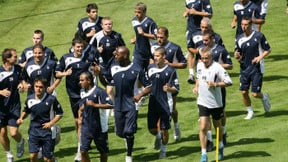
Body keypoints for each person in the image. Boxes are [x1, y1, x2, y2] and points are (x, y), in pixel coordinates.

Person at [110, 46, 151, 162]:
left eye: (118, 54)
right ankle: (128, 135)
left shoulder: (137, 69)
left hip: (131, 104)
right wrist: (99, 75)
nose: (115, 56)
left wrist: (139, 95)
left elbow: (149, 86)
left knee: (128, 132)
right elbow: (108, 82)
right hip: (118, 105)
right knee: (120, 133)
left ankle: (129, 155)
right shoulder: (114, 68)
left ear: (125, 56)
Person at [192, 46, 232, 162]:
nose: (204, 60)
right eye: (202, 58)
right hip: (202, 101)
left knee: (217, 126)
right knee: (203, 126)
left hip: (215, 103)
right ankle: (204, 154)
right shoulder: (199, 65)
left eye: (206, 58)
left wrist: (215, 84)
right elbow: (198, 78)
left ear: (211, 57)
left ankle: (220, 146)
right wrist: (196, 87)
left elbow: (229, 81)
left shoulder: (217, 68)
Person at [55, 39, 93, 161]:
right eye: (77, 47)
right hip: (73, 94)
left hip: (86, 93)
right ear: (73, 47)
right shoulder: (66, 58)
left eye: (81, 47)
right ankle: (81, 147)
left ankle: (81, 148)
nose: (79, 49)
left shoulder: (88, 58)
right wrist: (66, 73)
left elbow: (95, 71)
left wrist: (97, 71)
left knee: (84, 120)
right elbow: (57, 73)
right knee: (78, 121)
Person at [151, 27, 187, 141]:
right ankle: (161, 137)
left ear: (167, 36)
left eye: (162, 37)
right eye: (158, 37)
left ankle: (176, 126)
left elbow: (184, 64)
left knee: (172, 109)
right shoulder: (153, 47)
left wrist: (171, 64)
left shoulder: (175, 48)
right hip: (157, 81)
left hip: (170, 81)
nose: (159, 39)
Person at [200, 29, 233, 150]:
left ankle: (223, 133)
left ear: (212, 39)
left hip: (218, 86)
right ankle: (209, 140)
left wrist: (216, 67)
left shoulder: (221, 50)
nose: (204, 42)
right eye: (203, 40)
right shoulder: (202, 50)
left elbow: (230, 65)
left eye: (206, 40)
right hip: (205, 89)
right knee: (205, 117)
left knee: (220, 113)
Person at [17, 77, 63, 162]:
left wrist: (50, 123)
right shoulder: (29, 99)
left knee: (47, 159)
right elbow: (26, 110)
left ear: (45, 88)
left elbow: (60, 113)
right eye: (36, 86)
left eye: (41, 87)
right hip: (34, 131)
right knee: (33, 156)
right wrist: (21, 118)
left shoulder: (51, 99)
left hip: (47, 132)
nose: (38, 89)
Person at [234, 17, 271, 120]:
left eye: (246, 25)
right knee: (244, 92)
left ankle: (264, 97)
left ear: (250, 25)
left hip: (256, 68)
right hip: (244, 68)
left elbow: (268, 49)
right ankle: (250, 112)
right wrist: (237, 56)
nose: (243, 27)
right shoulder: (239, 38)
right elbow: (238, 53)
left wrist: (260, 57)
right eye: (242, 24)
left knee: (255, 94)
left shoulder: (259, 36)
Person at [89, 16, 126, 117]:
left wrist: (118, 52)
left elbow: (124, 48)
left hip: (115, 65)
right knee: (108, 87)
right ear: (102, 26)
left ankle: (115, 108)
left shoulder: (117, 36)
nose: (108, 26)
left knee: (111, 89)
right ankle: (113, 105)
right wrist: (97, 51)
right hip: (103, 66)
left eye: (110, 24)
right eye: (106, 24)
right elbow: (90, 51)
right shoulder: (97, 37)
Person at [147, 47, 179, 159]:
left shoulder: (171, 71)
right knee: (152, 129)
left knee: (165, 128)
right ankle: (158, 136)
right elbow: (147, 84)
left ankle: (163, 151)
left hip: (166, 103)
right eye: (154, 56)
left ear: (163, 56)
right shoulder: (150, 68)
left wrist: (169, 89)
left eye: (157, 56)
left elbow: (177, 88)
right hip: (153, 102)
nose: (155, 58)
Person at [78, 71, 113, 162]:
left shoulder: (99, 91)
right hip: (86, 127)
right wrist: (80, 115)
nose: (80, 82)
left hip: (99, 128)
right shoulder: (82, 91)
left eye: (82, 80)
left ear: (88, 80)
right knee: (83, 151)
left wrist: (95, 105)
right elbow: (82, 106)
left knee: (103, 152)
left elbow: (111, 105)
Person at [0, 48, 25, 162]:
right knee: (3, 133)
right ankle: (9, 154)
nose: (17, 58)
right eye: (14, 56)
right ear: (7, 59)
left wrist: (21, 85)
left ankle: (20, 141)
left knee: (14, 133)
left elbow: (21, 80)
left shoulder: (18, 69)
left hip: (14, 106)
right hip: (1, 108)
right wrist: (0, 92)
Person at [186, 17, 224, 84]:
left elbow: (222, 50)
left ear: (210, 27)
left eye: (206, 27)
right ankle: (191, 74)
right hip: (199, 62)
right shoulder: (194, 35)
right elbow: (189, 47)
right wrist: (196, 51)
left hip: (213, 61)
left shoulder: (217, 37)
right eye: (202, 27)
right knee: (190, 53)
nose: (204, 29)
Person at [183, 0, 213, 84]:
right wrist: (186, 12)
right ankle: (191, 74)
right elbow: (187, 8)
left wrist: (196, 12)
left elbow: (209, 14)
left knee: (204, 51)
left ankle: (207, 71)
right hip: (190, 29)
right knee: (190, 50)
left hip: (201, 30)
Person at [131, 2, 158, 71]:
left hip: (148, 53)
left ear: (144, 12)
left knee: (150, 74)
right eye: (135, 12)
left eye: (139, 12)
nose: (136, 14)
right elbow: (138, 33)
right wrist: (136, 38)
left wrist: (143, 34)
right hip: (137, 52)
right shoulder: (134, 20)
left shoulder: (150, 23)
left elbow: (156, 36)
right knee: (136, 73)